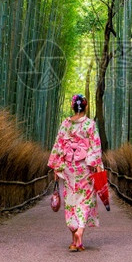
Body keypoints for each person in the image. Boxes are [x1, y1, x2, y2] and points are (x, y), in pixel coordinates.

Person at [47, 94, 104, 252]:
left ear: (73, 107)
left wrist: (56, 167)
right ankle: (79, 232)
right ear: (85, 107)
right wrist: (96, 164)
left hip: (69, 168)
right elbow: (95, 146)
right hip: (85, 167)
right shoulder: (90, 124)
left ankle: (75, 242)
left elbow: (59, 145)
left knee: (71, 201)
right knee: (85, 200)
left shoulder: (66, 124)